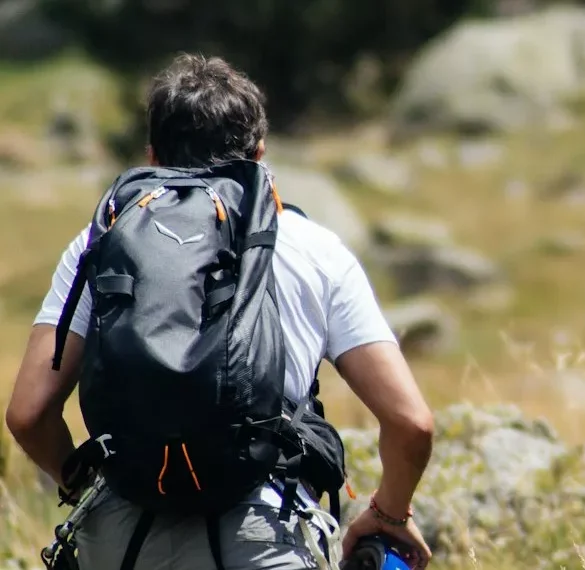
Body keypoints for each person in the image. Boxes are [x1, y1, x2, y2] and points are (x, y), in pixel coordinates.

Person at [5, 53, 435, 570]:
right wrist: (388, 515)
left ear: (152, 156)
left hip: (125, 537)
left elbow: (28, 414)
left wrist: (91, 485)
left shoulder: (100, 242)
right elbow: (411, 423)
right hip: (262, 534)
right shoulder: (313, 248)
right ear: (259, 153)